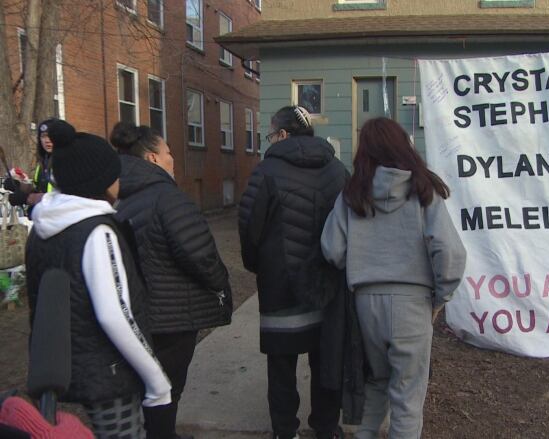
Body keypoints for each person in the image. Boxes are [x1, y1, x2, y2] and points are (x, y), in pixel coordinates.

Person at [320, 117, 467, 439]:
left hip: (366, 300)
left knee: (378, 380)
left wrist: (363, 260)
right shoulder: (424, 189)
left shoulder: (352, 193)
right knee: (407, 393)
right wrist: (441, 297)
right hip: (412, 302)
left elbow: (332, 249)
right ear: (403, 145)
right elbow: (450, 253)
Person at [24, 120, 172, 439]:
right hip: (109, 375)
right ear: (101, 181)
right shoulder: (98, 231)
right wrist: (156, 379)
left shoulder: (41, 229)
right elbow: (114, 314)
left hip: (59, 366)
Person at [110, 122, 233, 439]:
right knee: (166, 390)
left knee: (149, 388)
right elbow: (200, 255)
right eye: (168, 152)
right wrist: (220, 284)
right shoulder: (168, 198)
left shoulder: (120, 199)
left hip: (138, 313)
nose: (172, 159)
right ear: (152, 158)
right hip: (174, 317)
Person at [238, 106, 348, 439]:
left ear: (284, 134)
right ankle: (326, 428)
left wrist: (258, 265)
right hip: (327, 281)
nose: (268, 141)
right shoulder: (338, 170)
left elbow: (249, 226)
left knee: (281, 361)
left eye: (270, 134)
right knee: (326, 356)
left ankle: (285, 431)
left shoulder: (266, 171)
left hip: (280, 282)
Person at [3, 119, 58, 212]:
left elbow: (62, 198)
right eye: (44, 136)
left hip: (60, 218)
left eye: (52, 136)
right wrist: (19, 186)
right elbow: (38, 189)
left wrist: (28, 198)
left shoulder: (66, 162)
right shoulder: (43, 162)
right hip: (45, 216)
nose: (47, 140)